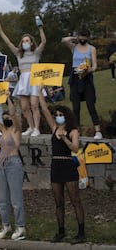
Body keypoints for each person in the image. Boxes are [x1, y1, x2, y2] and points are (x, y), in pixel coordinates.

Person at [38, 86, 86, 244]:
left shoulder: (72, 131)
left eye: (60, 115)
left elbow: (75, 147)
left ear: (66, 116)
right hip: (56, 166)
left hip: (68, 166)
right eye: (57, 115)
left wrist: (64, 138)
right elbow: (44, 109)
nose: (58, 117)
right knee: (58, 201)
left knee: (75, 200)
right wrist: (40, 92)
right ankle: (60, 231)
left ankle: (81, 232)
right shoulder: (54, 127)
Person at [0, 93, 26, 241]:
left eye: (7, 117)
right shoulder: (3, 129)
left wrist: (8, 99)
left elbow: (14, 114)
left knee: (16, 198)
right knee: (2, 199)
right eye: (4, 117)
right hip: (1, 165)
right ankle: (6, 225)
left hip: (13, 164)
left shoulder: (16, 130)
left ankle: (20, 226)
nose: (6, 119)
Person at [0, 18, 46, 137]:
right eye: (23, 41)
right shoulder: (19, 53)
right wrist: (0, 30)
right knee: (24, 107)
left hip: (34, 78)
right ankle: (31, 126)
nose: (25, 42)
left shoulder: (36, 52)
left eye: (27, 40)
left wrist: (40, 28)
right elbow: (9, 43)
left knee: (34, 105)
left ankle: (37, 129)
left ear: (31, 42)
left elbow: (43, 42)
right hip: (23, 79)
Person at [62, 26, 102, 139]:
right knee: (76, 107)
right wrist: (75, 37)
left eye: (85, 37)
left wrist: (88, 70)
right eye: (81, 37)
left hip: (86, 77)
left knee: (90, 105)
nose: (82, 39)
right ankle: (76, 130)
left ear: (88, 38)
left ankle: (98, 130)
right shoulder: (74, 47)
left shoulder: (92, 49)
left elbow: (95, 65)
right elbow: (64, 40)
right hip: (75, 77)